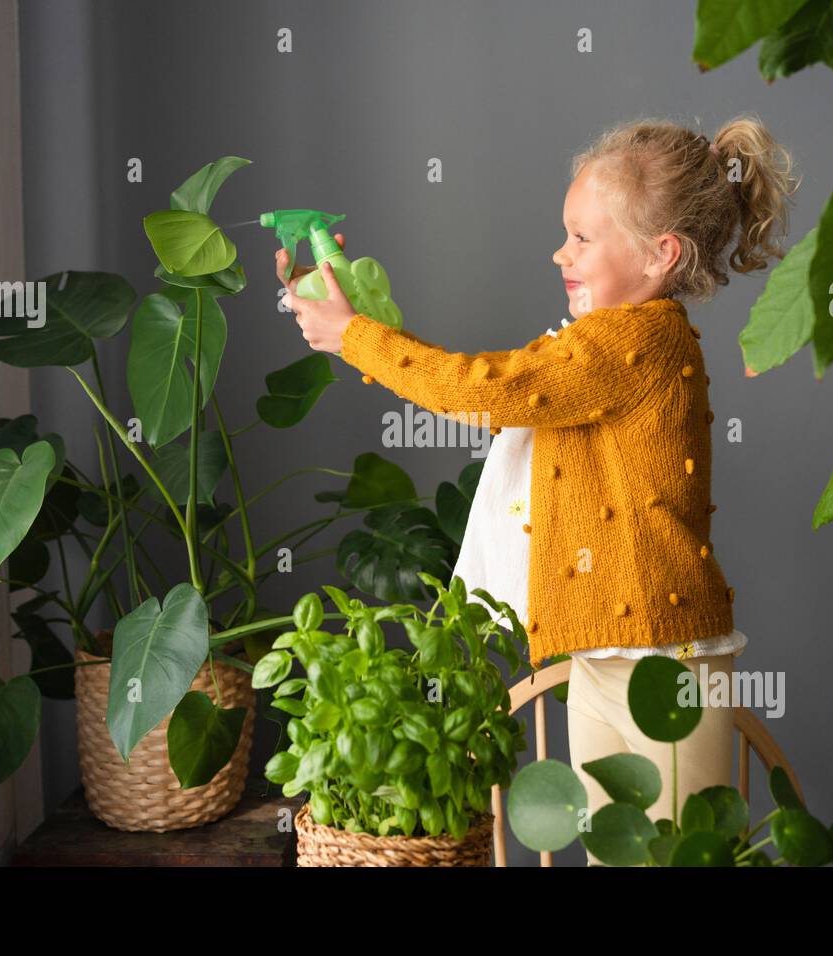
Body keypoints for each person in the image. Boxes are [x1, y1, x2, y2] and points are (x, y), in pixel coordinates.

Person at [276, 114, 799, 864]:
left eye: (583, 238)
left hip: (664, 657)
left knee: (678, 855)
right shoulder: (610, 340)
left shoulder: (632, 340)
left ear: (661, 254)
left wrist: (354, 336)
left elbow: (486, 389)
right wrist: (353, 318)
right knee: (615, 852)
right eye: (567, 233)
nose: (562, 252)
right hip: (603, 651)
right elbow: (493, 387)